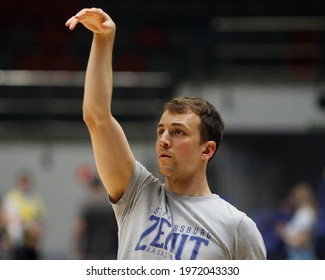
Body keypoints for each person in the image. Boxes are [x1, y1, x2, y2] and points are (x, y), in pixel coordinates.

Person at [66, 8, 266, 260]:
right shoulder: (136, 193)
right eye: (161, 131)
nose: (163, 140)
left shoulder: (237, 228)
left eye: (178, 132)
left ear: (207, 149)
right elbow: (96, 117)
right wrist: (104, 39)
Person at [2, 171, 47, 259]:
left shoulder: (35, 198)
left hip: (31, 240)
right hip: (15, 239)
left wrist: (38, 231)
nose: (25, 185)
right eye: (23, 182)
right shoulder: (12, 197)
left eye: (27, 182)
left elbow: (41, 218)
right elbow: (5, 217)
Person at [73, 176, 118, 260]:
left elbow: (79, 229)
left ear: (91, 187)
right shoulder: (110, 206)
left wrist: (77, 249)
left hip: (91, 252)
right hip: (110, 251)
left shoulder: (88, 206)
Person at [276, 182, 318, 260]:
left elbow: (303, 241)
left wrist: (284, 234)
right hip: (297, 255)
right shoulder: (303, 212)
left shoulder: (305, 214)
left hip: (301, 256)